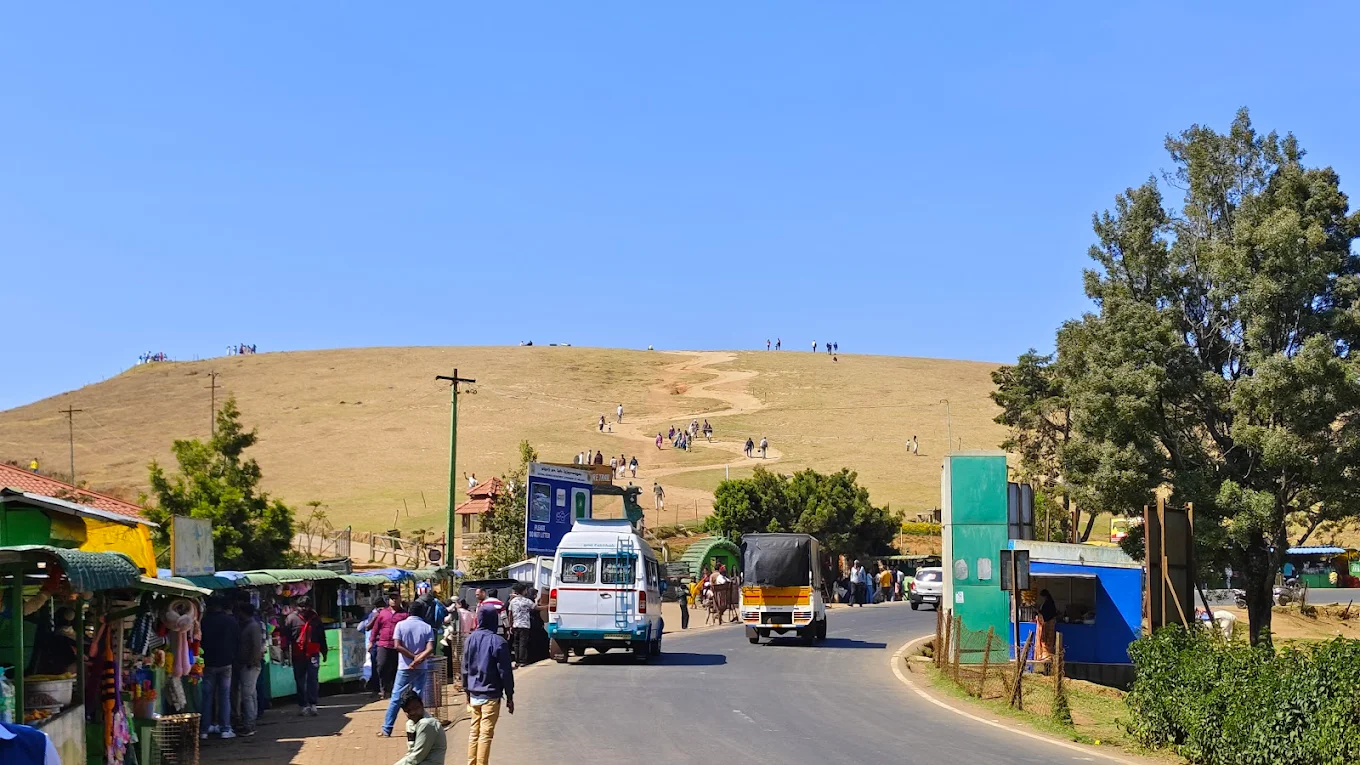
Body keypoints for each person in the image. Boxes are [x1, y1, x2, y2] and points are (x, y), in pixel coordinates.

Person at [462, 605, 515, 765]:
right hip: (491, 695)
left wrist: (466, 692)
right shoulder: (498, 642)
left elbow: (464, 668)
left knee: (474, 732)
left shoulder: (469, 639)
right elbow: (505, 672)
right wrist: (510, 696)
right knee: (485, 734)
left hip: (474, 694)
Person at [381, 600, 436, 737]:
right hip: (421, 667)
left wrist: (412, 658)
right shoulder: (426, 627)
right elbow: (429, 649)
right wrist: (418, 659)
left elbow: (397, 646)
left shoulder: (401, 625)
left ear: (408, 611)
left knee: (396, 697)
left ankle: (387, 728)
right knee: (418, 696)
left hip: (404, 668)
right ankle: (419, 726)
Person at [199, 596, 239, 739]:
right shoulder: (231, 621)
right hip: (226, 662)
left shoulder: (203, 622)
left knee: (207, 696)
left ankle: (204, 729)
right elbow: (237, 640)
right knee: (224, 696)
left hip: (208, 662)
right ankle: (225, 728)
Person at [287, 596, 327, 716]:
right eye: (301, 606)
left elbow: (322, 636)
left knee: (312, 678)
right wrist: (284, 651)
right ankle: (303, 705)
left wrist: (324, 651)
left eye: (306, 606)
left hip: (313, 652)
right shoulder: (291, 619)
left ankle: (313, 704)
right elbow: (286, 636)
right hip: (297, 653)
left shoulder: (315, 619)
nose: (303, 609)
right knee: (299, 680)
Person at [390, 687, 446, 765]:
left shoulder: (426, 724)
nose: (413, 712)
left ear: (422, 705)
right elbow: (411, 751)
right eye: (408, 710)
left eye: (416, 708)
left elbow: (416, 757)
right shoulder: (410, 724)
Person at [233, 601, 264, 736]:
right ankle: (251, 722)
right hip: (249, 664)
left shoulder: (252, 626)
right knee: (251, 694)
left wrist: (252, 662)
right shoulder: (249, 625)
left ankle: (249, 724)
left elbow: (256, 646)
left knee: (247, 695)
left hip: (250, 665)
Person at [372, 593, 409, 699]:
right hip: (383, 644)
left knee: (396, 668)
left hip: (398, 645)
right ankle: (384, 688)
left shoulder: (404, 615)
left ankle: (394, 689)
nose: (393, 601)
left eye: (395, 598)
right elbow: (375, 628)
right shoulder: (383, 613)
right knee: (381, 665)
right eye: (391, 599)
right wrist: (371, 641)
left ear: (399, 600)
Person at [507, 584, 535, 668]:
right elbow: (536, 607)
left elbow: (510, 614)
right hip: (524, 625)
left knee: (516, 644)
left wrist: (510, 625)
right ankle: (522, 661)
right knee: (523, 643)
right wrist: (548, 607)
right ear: (523, 591)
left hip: (515, 625)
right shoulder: (527, 601)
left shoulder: (513, 601)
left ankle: (517, 661)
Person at [1035, 589, 1059, 661]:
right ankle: (1046, 656)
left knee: (1046, 641)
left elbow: (1046, 613)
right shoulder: (1049, 601)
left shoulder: (1048, 603)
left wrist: (1038, 612)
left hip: (1048, 624)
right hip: (1048, 622)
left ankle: (1046, 657)